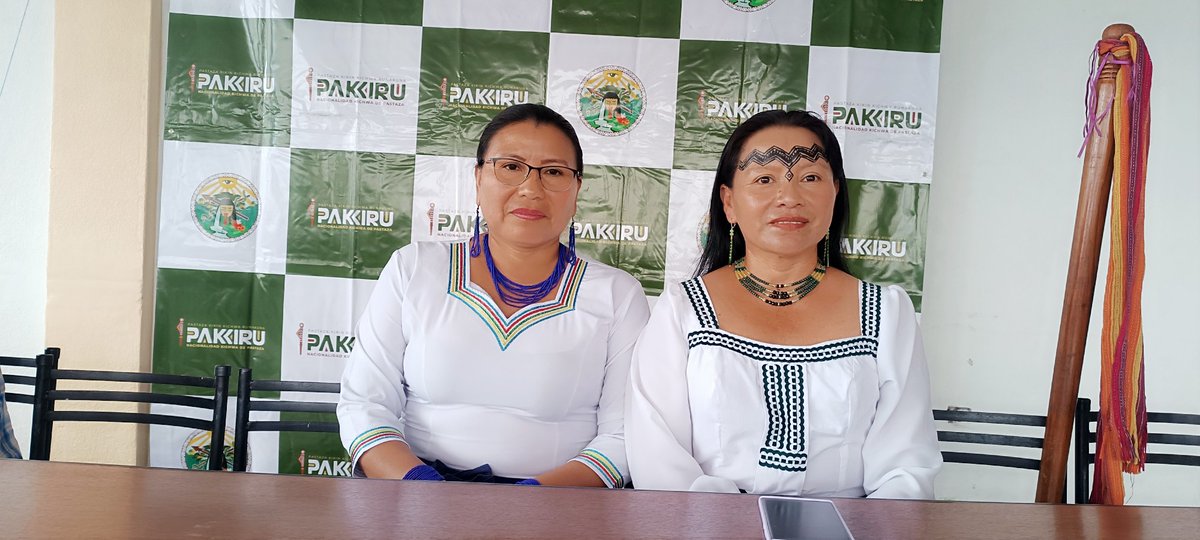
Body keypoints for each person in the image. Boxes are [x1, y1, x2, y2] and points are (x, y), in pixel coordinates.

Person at [626, 110, 941, 498]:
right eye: (764, 179)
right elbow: (657, 456)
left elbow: (905, 468)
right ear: (729, 202)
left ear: (835, 192)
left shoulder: (886, 312)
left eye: (810, 177)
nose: (789, 197)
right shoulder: (682, 308)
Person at [338, 104, 649, 488]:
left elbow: (624, 437)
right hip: (414, 493)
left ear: (576, 190)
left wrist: (524, 504)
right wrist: (425, 489)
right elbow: (365, 406)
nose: (531, 189)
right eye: (511, 167)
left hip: (554, 510)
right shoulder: (415, 268)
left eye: (554, 172)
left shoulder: (618, 294)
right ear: (478, 177)